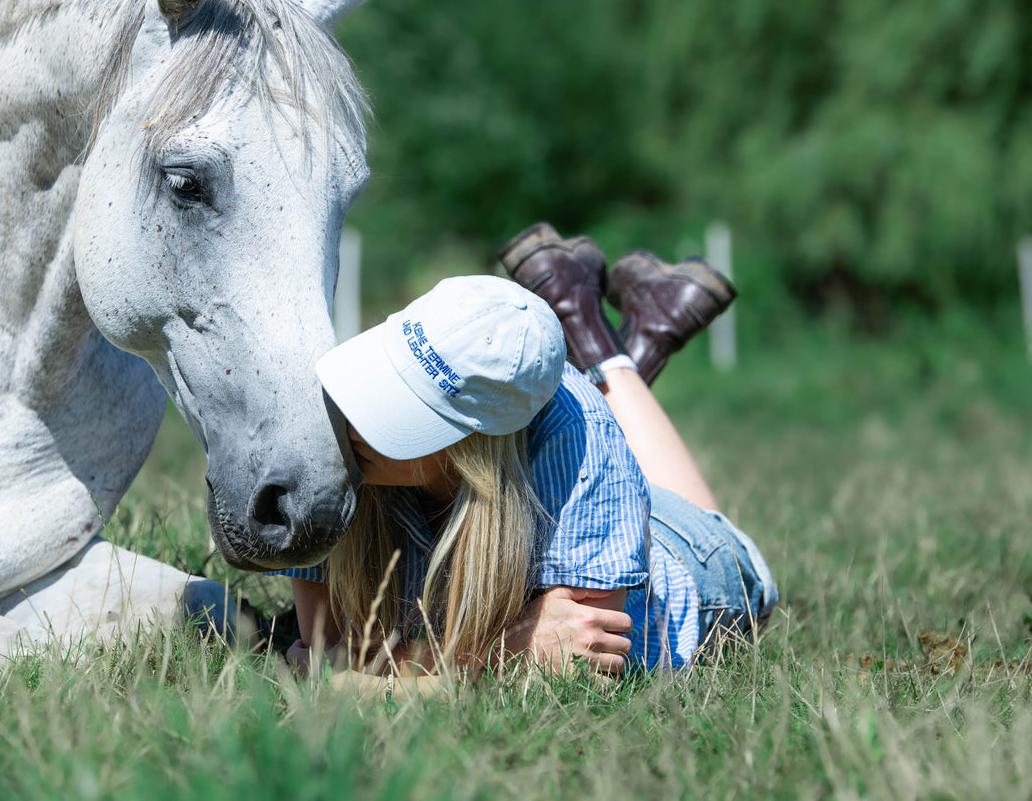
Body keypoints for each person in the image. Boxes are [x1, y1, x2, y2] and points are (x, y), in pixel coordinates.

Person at [275, 223, 778, 681]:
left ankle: (584, 319)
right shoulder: (336, 436)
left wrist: (396, 666)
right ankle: (598, 314)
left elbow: (579, 662)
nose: (352, 418)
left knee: (729, 544)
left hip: (689, 559)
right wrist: (508, 646)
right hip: (569, 486)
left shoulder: (585, 446)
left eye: (397, 409)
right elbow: (333, 651)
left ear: (471, 448)